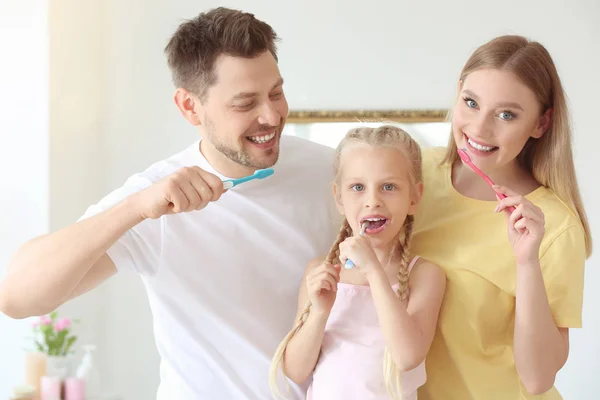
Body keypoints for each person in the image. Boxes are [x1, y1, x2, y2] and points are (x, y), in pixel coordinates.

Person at [0, 7, 339, 399]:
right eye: (245, 104)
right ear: (189, 107)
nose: (271, 115)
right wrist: (134, 209)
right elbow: (17, 297)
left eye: (276, 93)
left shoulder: (330, 172)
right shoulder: (153, 199)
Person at [410, 35, 592, 400]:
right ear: (458, 92)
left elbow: (538, 379)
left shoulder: (553, 226)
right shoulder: (412, 175)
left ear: (541, 123)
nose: (480, 128)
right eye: (472, 103)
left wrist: (526, 264)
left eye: (506, 114)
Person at [270, 126, 446, 400]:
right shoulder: (319, 271)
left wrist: (374, 271)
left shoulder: (424, 275)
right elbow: (295, 370)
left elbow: (407, 356)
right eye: (357, 187)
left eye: (389, 187)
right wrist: (319, 312)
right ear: (339, 197)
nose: (372, 201)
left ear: (414, 197)